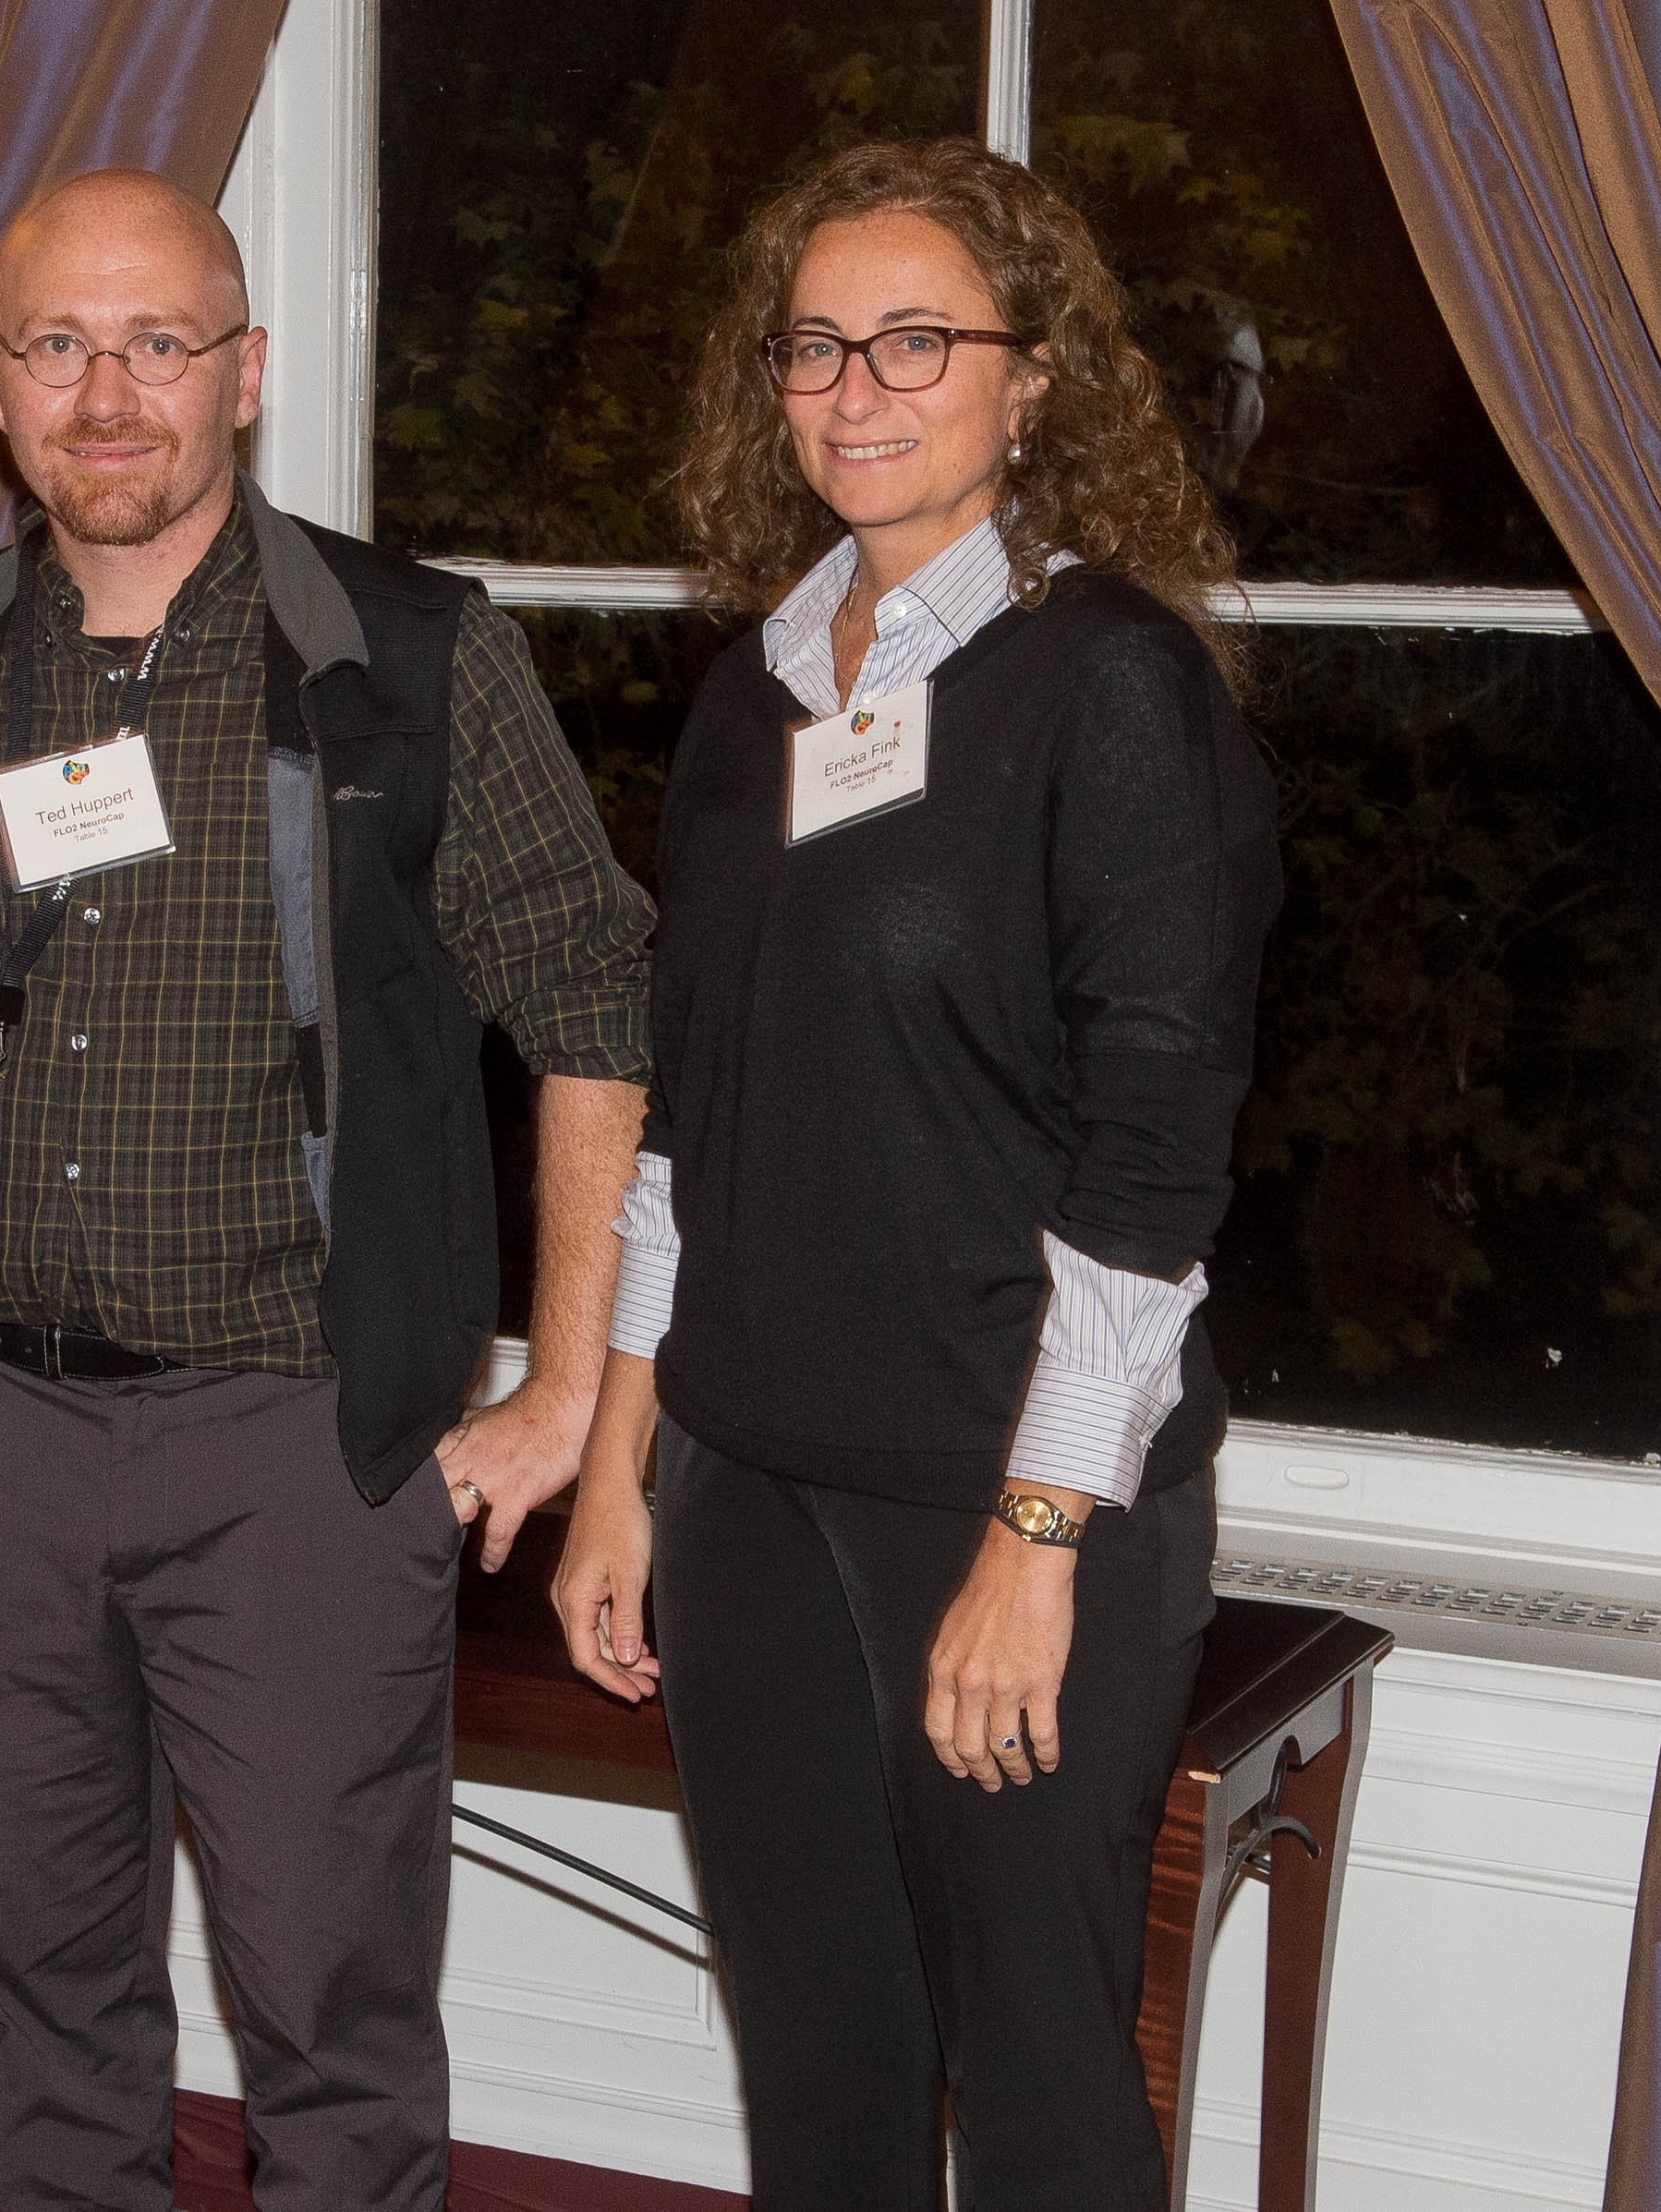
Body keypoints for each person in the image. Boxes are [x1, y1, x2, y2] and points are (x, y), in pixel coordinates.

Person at [0, 169, 653, 2210]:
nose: (105, 391)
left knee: (329, 2017)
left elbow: (588, 993)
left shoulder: (404, 652)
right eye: (56, 344)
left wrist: (562, 1391)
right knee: (33, 1999)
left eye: (156, 343)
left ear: (243, 374)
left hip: (293, 1448)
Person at [546, 138, 1282, 2211]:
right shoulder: (746, 693)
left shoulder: (1108, 685)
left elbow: (1152, 1173)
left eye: (914, 341)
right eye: (812, 346)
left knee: (1039, 2089)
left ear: (1030, 378)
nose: (855, 389)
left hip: (1003, 1493)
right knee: (818, 2071)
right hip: (743, 1486)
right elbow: (690, 1121)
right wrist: (621, 1460)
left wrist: (1033, 1537)